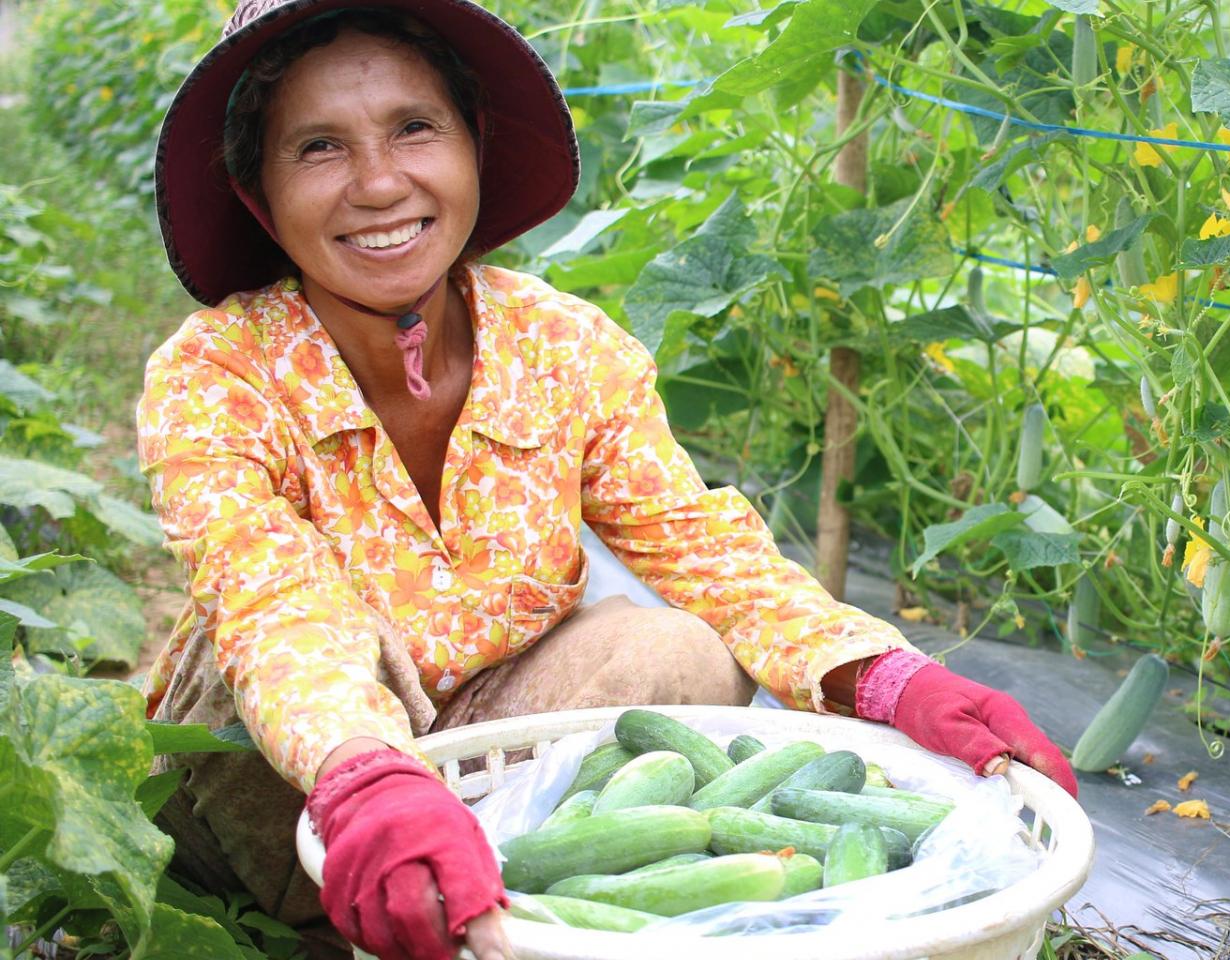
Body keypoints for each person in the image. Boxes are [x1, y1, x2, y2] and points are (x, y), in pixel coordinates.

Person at [139, 2, 1079, 958]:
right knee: (317, 643)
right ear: (260, 196)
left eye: (415, 128)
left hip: (480, 742)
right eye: (318, 148)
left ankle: (501, 910)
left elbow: (701, 546)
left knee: (680, 652)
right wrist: (365, 774)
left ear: (473, 149)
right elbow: (272, 604)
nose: (380, 183)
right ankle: (332, 907)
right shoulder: (219, 371)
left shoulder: (565, 345)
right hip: (278, 775)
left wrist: (883, 676)